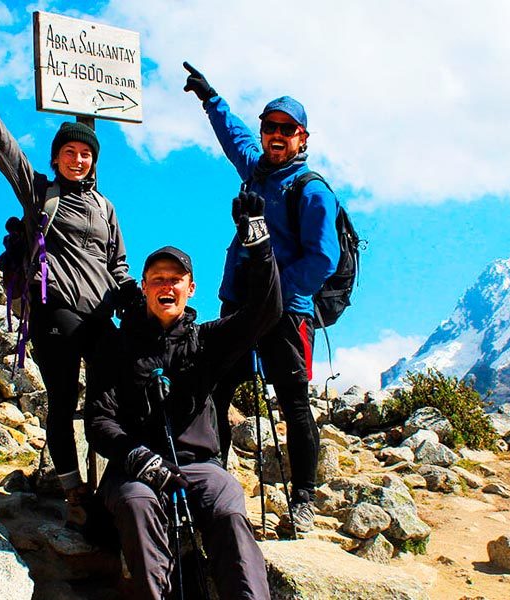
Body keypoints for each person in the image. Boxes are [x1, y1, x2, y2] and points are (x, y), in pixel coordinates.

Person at [0, 52, 137, 522]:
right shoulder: (38, 192)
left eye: (86, 154)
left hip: (100, 316)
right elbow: (3, 148)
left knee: (111, 397)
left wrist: (129, 292)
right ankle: (74, 492)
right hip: (55, 313)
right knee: (64, 401)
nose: (78, 158)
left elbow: (119, 264)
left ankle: (113, 483)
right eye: (69, 152)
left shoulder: (106, 208)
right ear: (56, 157)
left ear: (93, 162)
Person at [85, 192, 278, 600]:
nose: (166, 285)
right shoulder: (115, 346)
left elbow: (266, 309)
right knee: (137, 506)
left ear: (191, 288)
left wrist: (257, 240)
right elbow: (100, 421)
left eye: (175, 279)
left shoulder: (207, 340)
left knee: (227, 505)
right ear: (144, 287)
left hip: (199, 466)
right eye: (157, 278)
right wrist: (140, 459)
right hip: (133, 470)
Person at [182, 62, 339, 533]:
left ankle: (304, 502)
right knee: (217, 391)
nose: (275, 135)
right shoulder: (256, 169)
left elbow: (323, 258)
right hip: (239, 305)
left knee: (293, 402)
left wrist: (274, 292)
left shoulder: (312, 192)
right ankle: (216, 483)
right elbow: (233, 137)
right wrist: (211, 98)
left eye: (286, 130)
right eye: (269, 127)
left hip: (287, 313)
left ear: (302, 138)